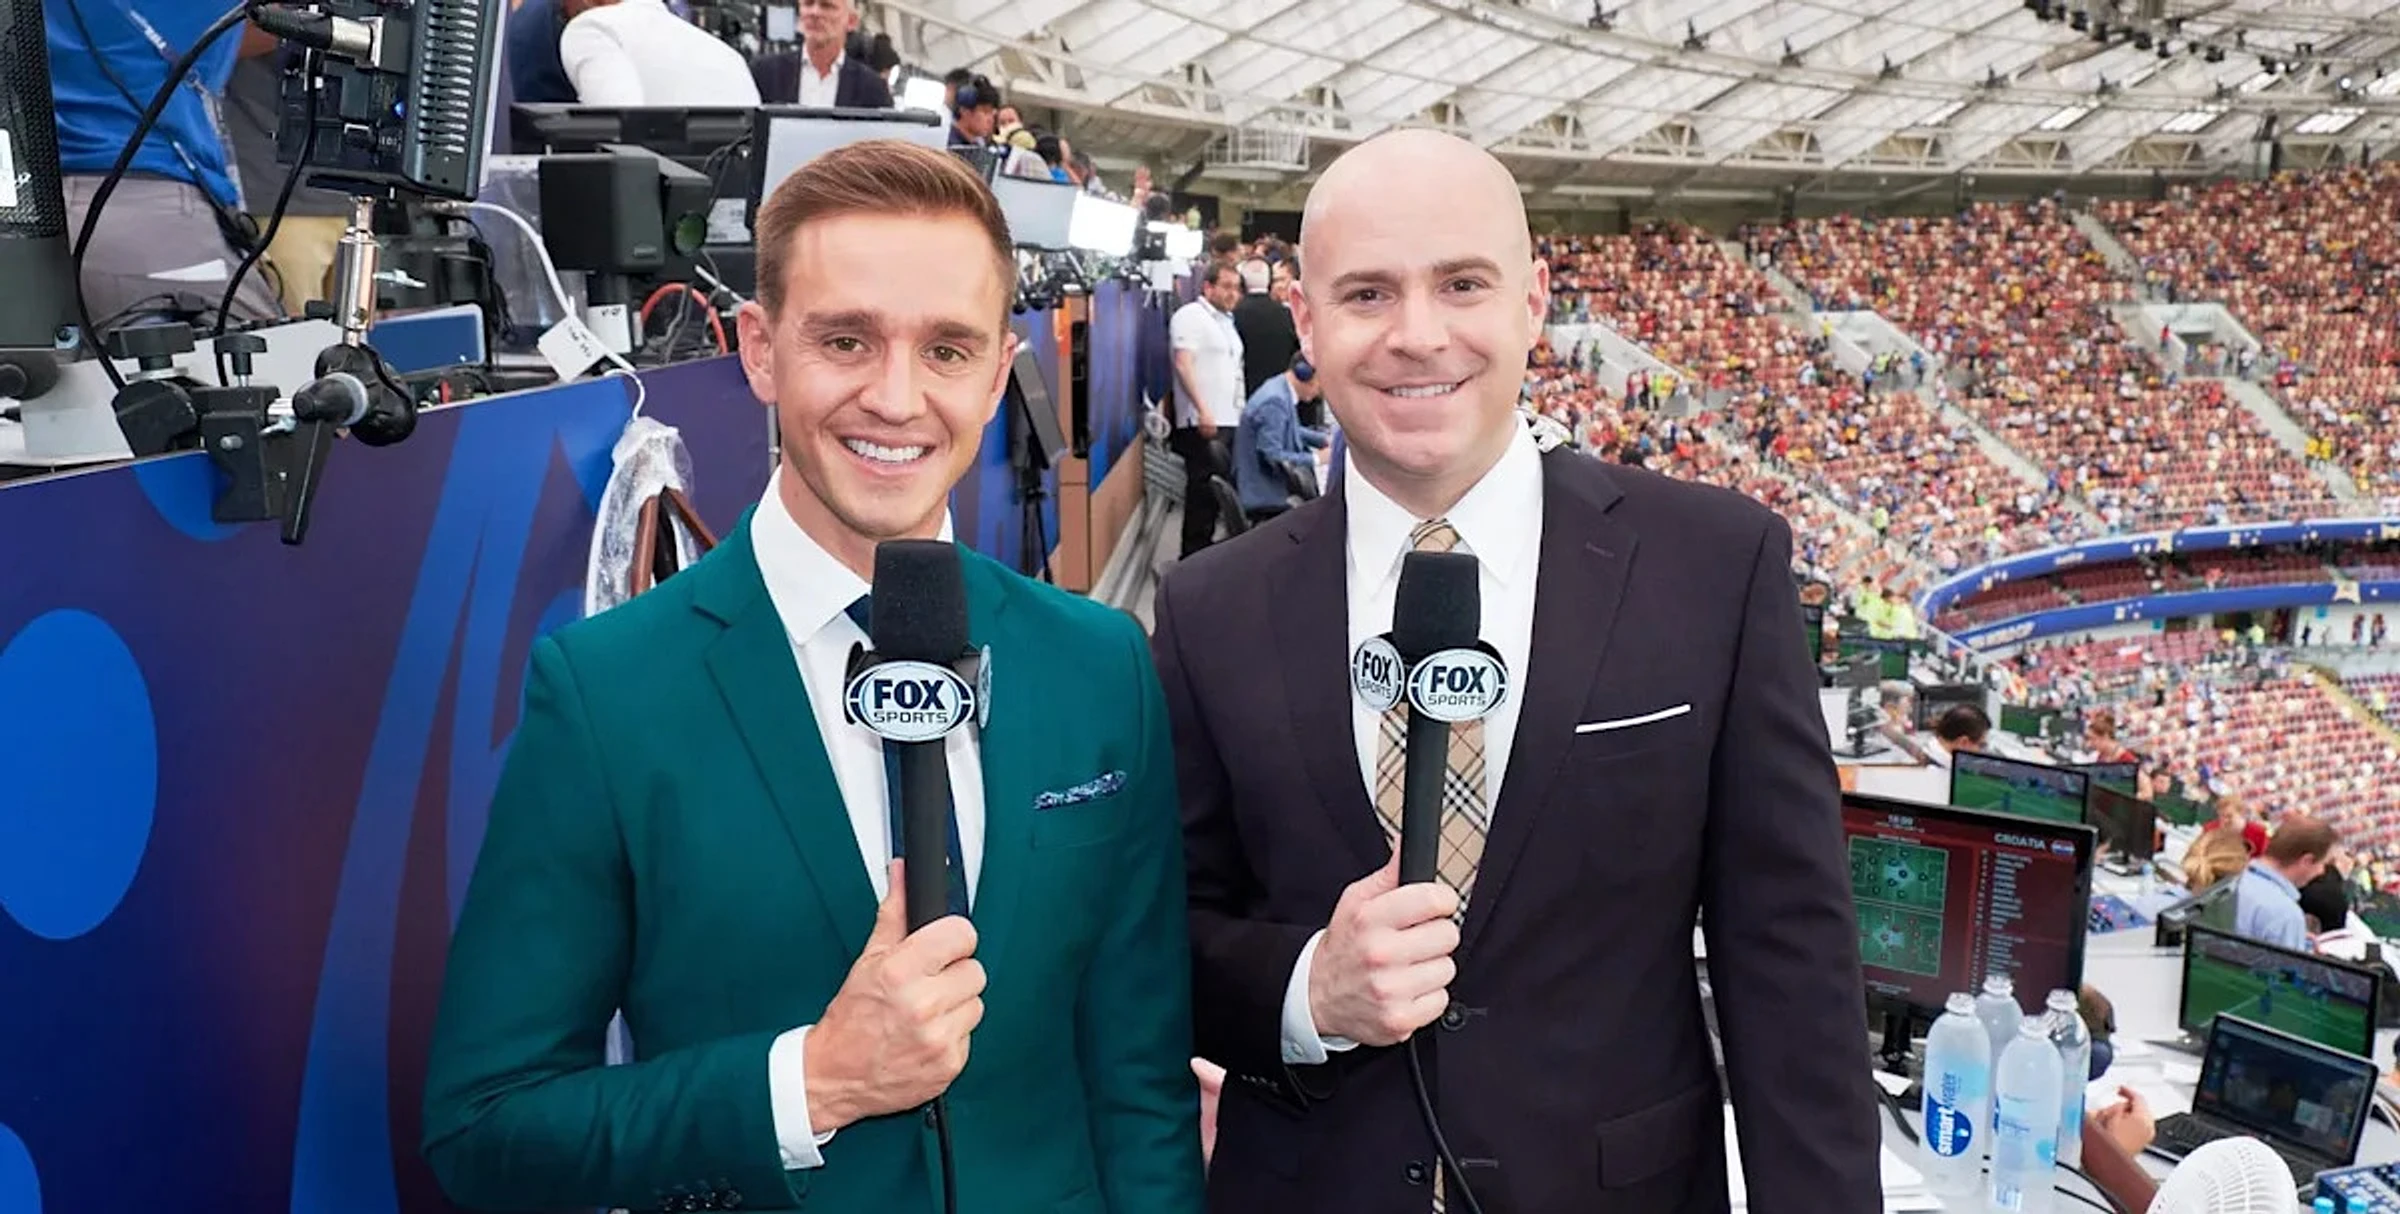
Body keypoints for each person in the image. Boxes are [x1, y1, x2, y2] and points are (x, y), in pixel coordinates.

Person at [422, 140, 1203, 1214]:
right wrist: (811, 1081)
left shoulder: (1098, 663)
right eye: (846, 340)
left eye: (946, 349)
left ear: (996, 376)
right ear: (760, 350)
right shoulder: (607, 694)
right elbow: (486, 1127)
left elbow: (1140, 1082)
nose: (896, 397)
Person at [1153, 129, 1880, 1213]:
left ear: (1533, 300)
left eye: (1462, 284)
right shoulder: (1210, 607)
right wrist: (1310, 989)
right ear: (1305, 320)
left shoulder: (1717, 566)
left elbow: (1792, 963)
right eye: (1367, 293)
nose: (1418, 334)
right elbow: (1160, 944)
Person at [1231, 354, 1329, 521]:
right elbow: (1273, 457)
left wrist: (1324, 440)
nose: (1320, 392)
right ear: (1305, 374)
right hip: (1264, 492)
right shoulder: (1275, 401)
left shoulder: (1278, 389)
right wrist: (1317, 458)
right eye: (1321, 383)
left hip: (1262, 483)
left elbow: (1289, 428)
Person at [750, 0, 895, 107]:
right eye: (808, 4)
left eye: (827, 6)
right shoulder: (764, 73)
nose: (815, 13)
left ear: (851, 21)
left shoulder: (872, 88)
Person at [2234, 816, 2340, 952]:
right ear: (2307, 861)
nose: (2322, 871)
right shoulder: (2286, 915)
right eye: (2323, 863)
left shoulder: (2230, 878)